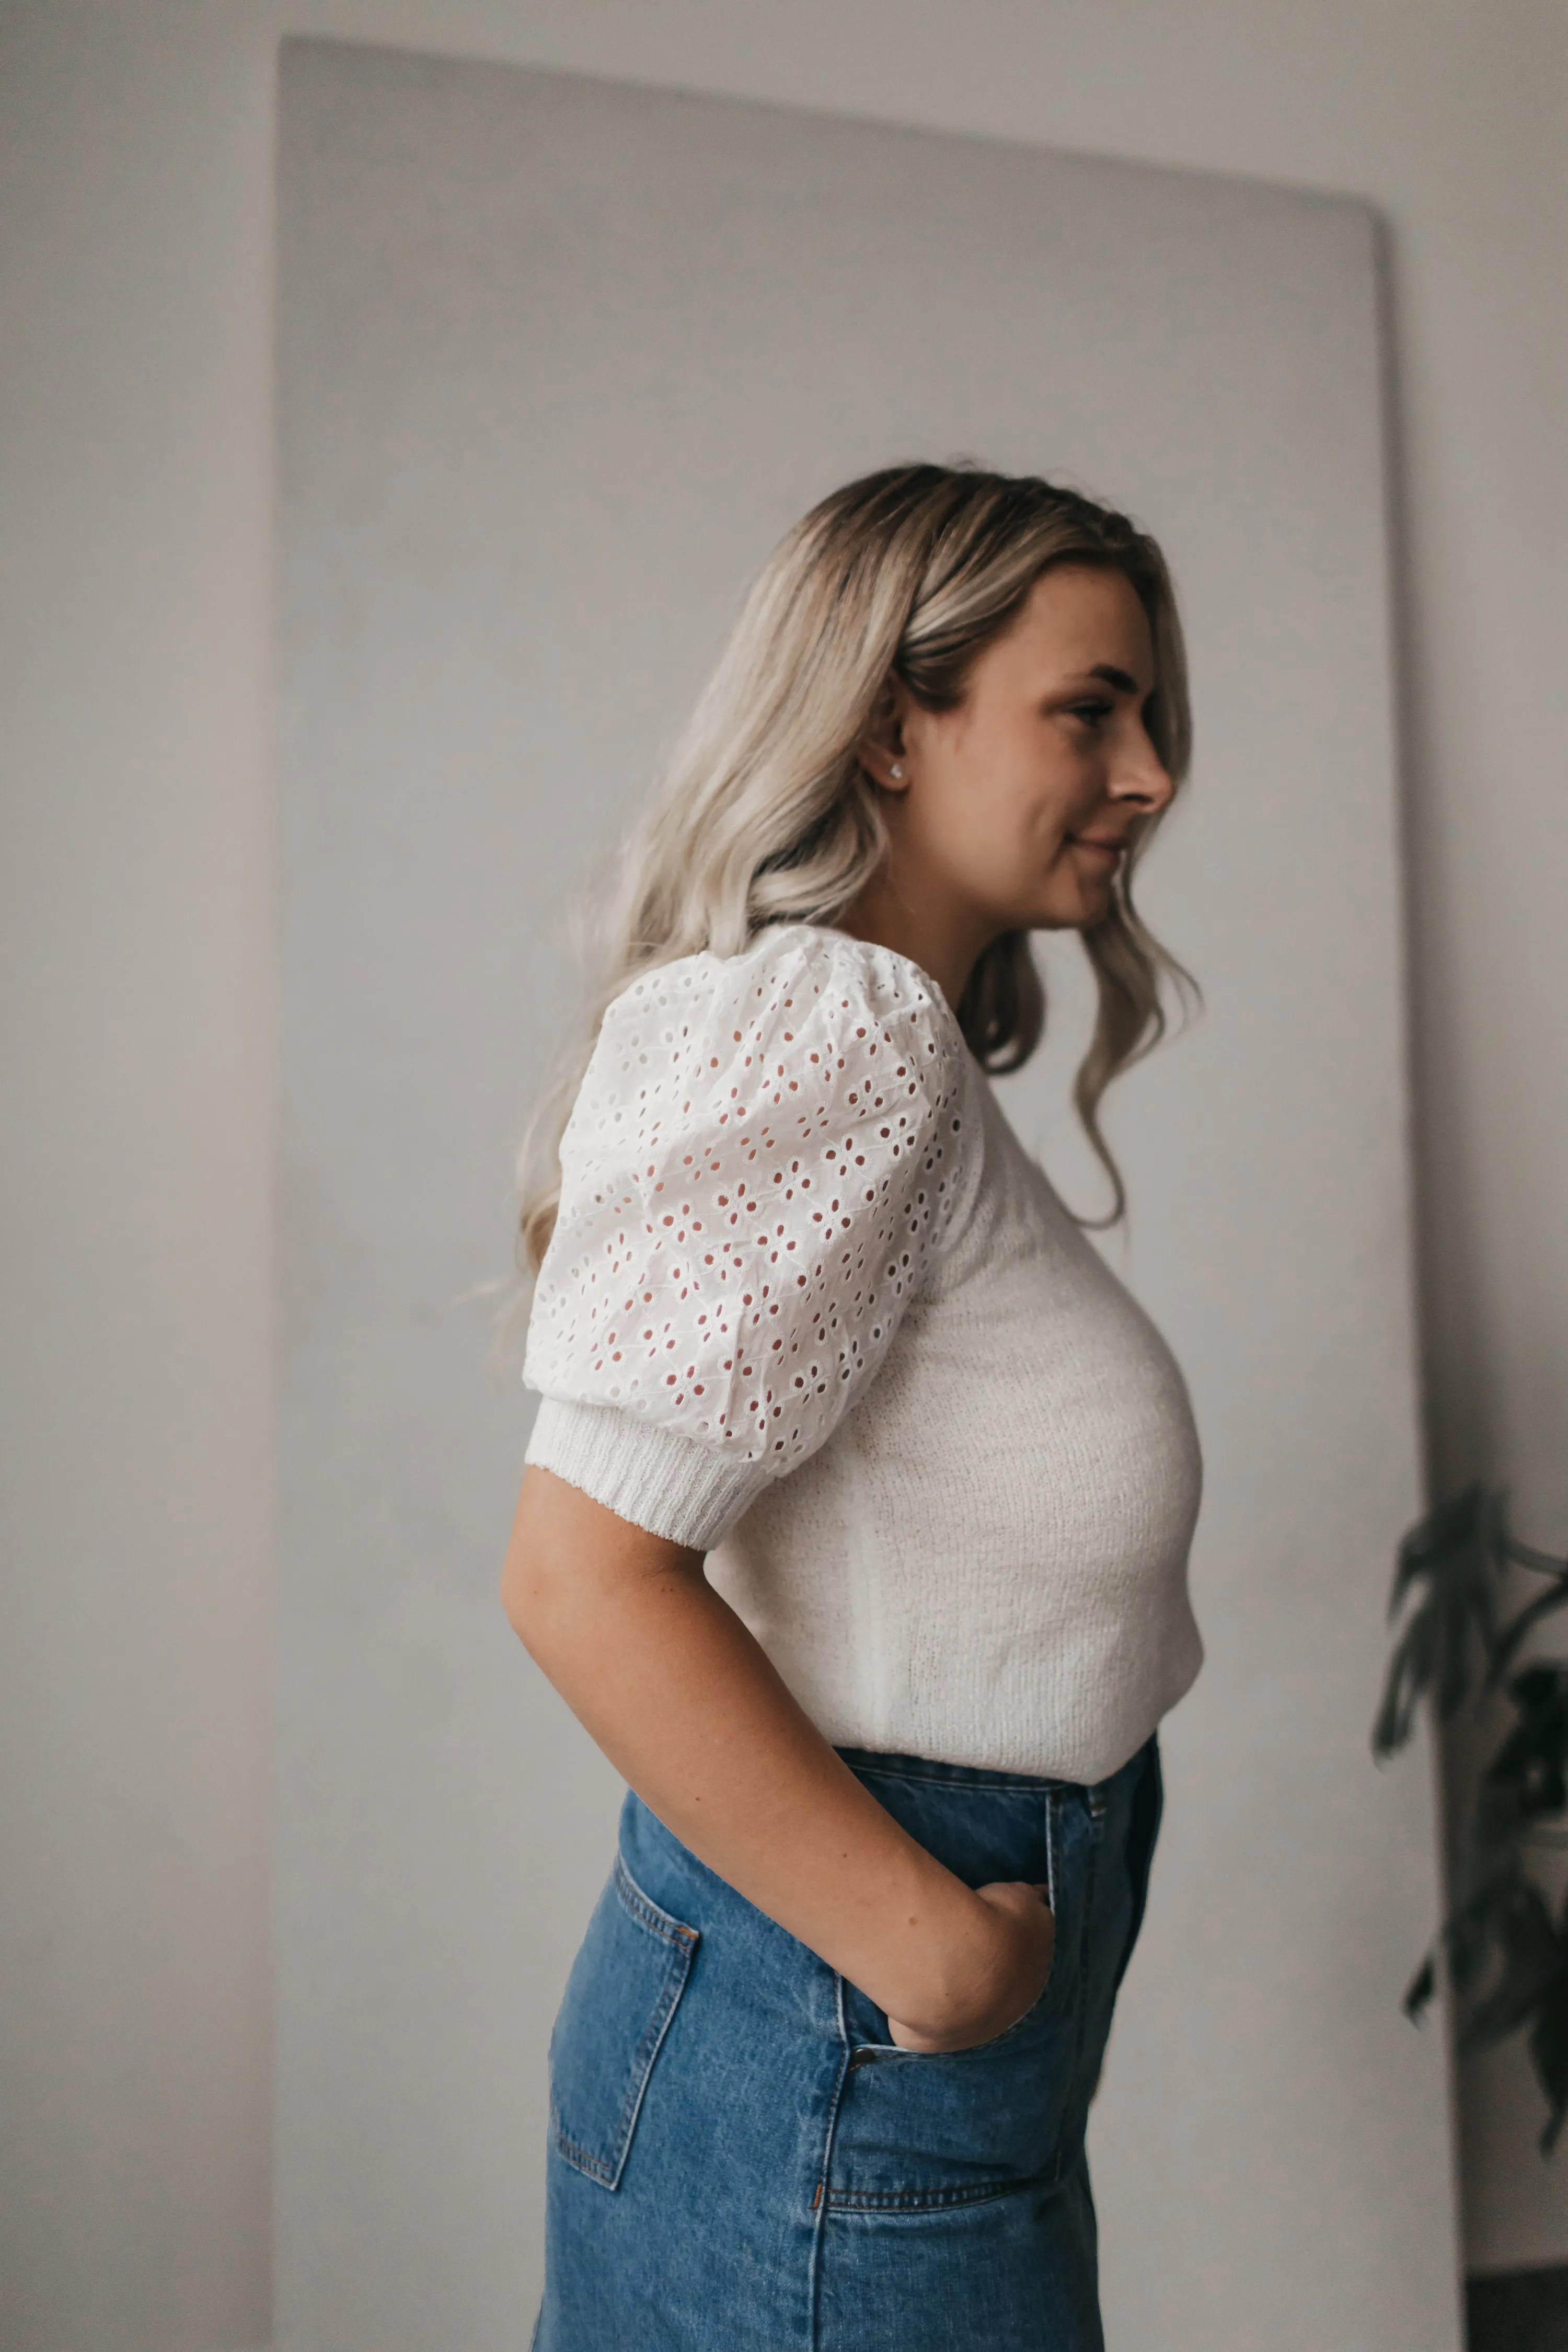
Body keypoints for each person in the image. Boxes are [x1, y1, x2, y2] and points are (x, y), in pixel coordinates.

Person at [501, 462, 1204, 2352]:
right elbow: (582, 1573)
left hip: (874, 2055)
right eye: (1092, 709)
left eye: (1150, 715)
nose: (1149, 773)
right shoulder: (841, 1028)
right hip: (851, 2046)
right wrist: (943, 1954)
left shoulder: (895, 1047)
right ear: (897, 722)